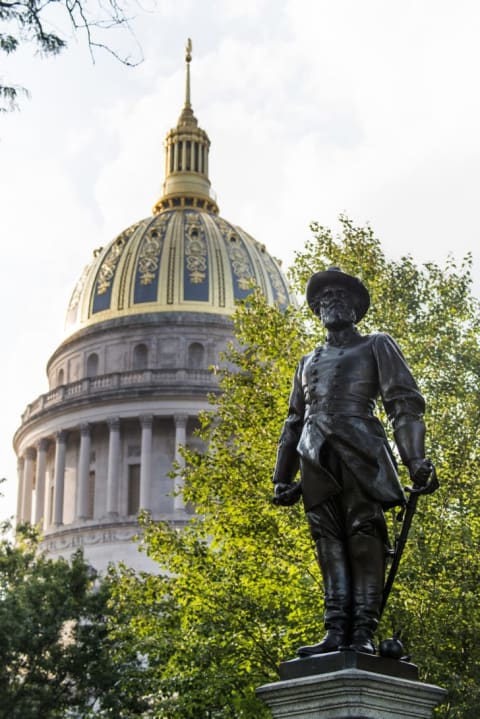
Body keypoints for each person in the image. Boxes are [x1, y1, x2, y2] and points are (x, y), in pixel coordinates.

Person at [273, 266, 432, 656]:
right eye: (325, 299)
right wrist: (282, 477)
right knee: (327, 542)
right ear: (317, 310)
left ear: (357, 308)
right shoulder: (307, 361)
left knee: (365, 539)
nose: (333, 304)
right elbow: (294, 420)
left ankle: (362, 630)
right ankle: (335, 629)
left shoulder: (376, 345)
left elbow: (403, 404)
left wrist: (415, 461)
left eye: (341, 298)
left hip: (362, 451)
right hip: (316, 456)